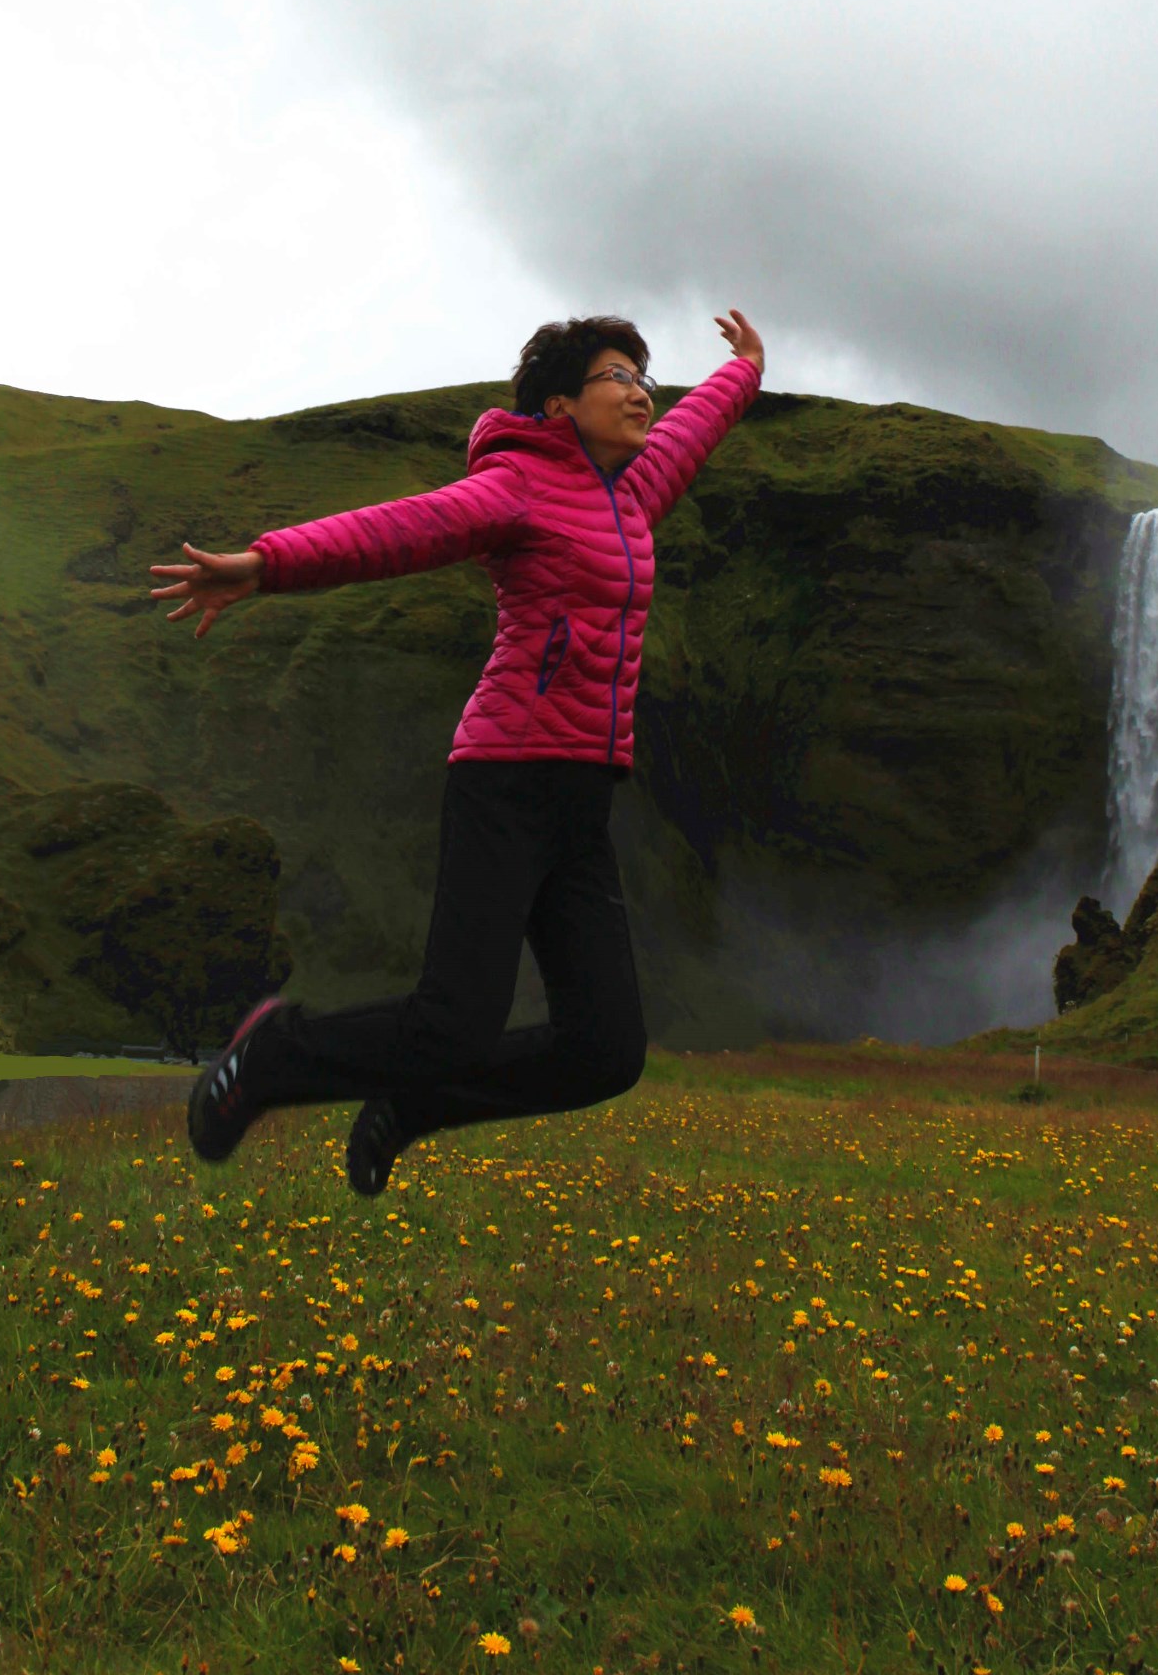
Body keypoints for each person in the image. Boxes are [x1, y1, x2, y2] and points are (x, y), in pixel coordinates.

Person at [150, 309, 765, 1192]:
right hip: (506, 777)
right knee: (455, 1023)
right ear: (561, 406)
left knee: (605, 1050)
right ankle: (271, 1057)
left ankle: (414, 1109)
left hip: (584, 796)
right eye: (617, 377)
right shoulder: (515, 485)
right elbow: (398, 530)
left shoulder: (628, 496)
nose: (640, 392)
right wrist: (267, 564)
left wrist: (744, 370)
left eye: (643, 376)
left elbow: (691, 430)